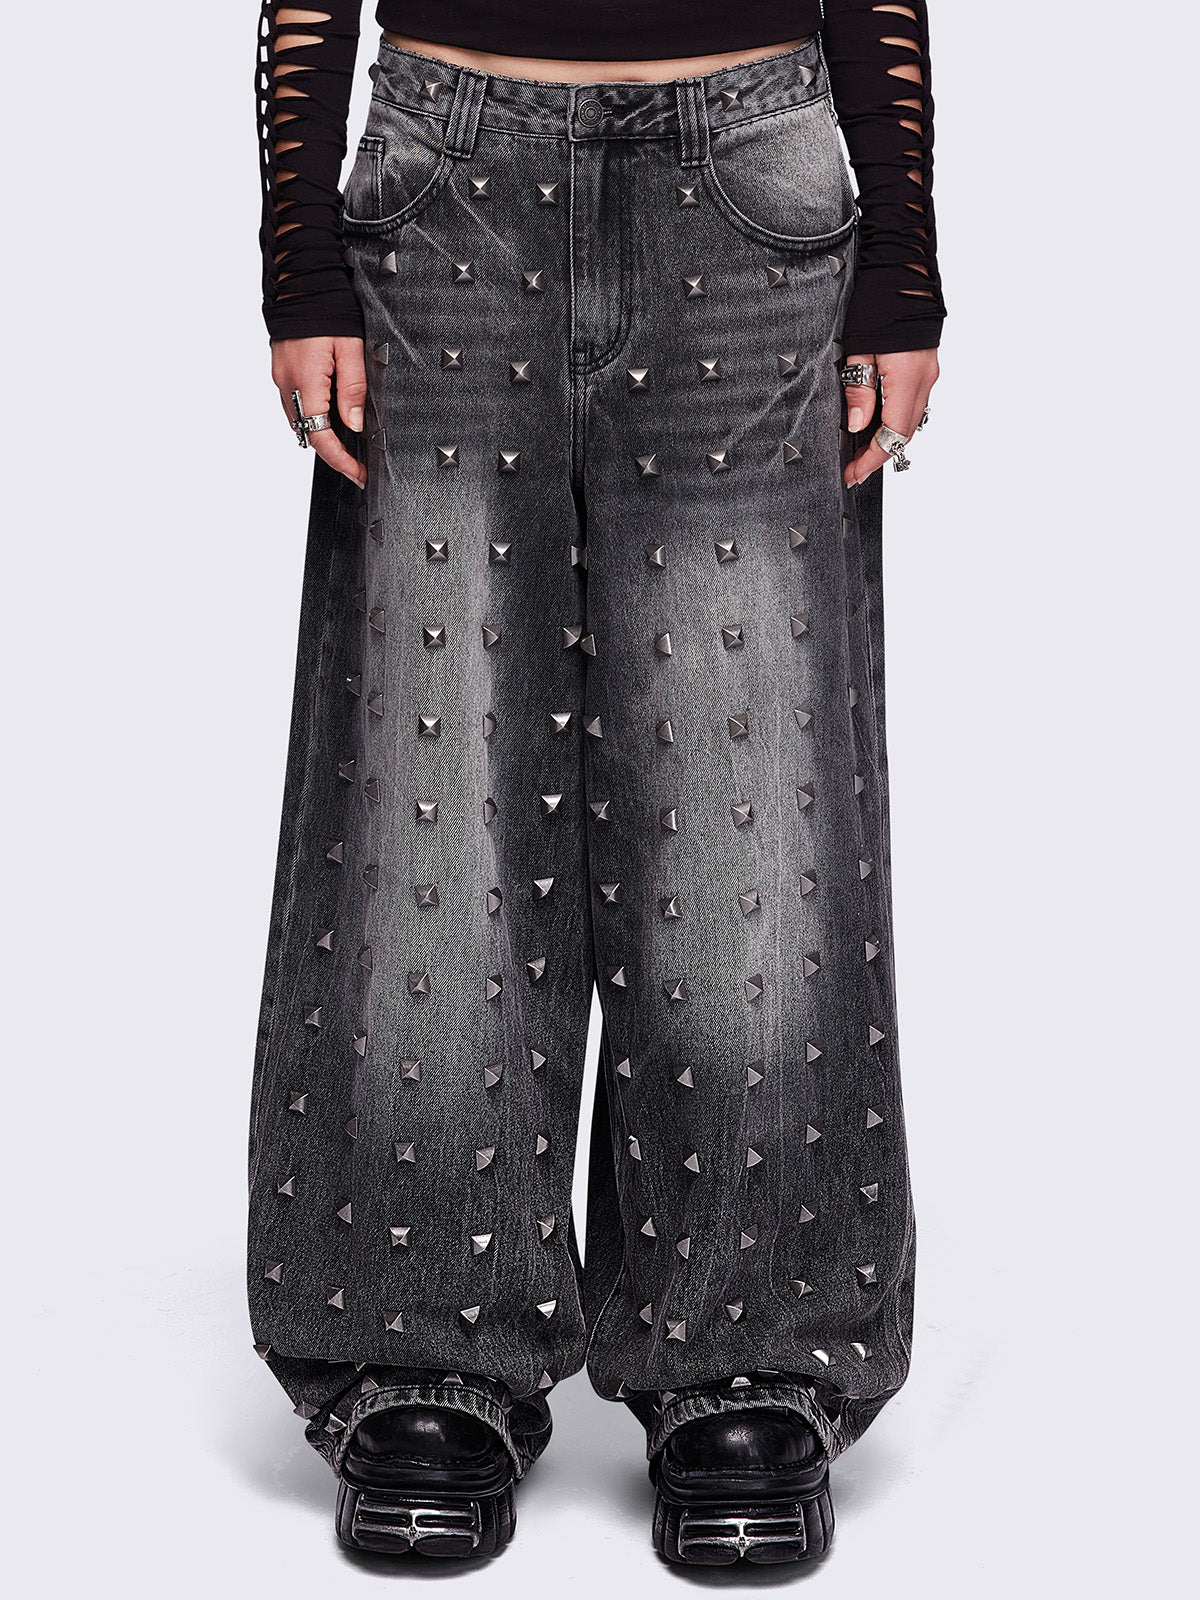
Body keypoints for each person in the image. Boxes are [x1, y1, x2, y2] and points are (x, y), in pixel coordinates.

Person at [249, 0, 944, 1566]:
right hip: (445, 174)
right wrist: (299, 246)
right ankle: (416, 1344)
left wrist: (903, 249)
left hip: (753, 175)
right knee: (428, 758)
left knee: (747, 769)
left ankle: (752, 1355)